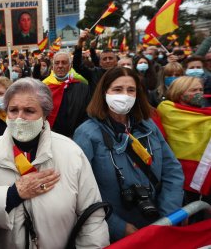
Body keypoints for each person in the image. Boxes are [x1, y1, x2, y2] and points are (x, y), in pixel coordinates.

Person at [0, 78, 109, 248]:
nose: (19, 118)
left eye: (29, 111)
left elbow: (92, 216)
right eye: (13, 110)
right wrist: (12, 195)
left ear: (44, 115)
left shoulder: (71, 152)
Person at [73, 67, 184, 242]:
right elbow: (80, 190)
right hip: (114, 232)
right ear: (104, 93)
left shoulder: (148, 127)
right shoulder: (87, 134)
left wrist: (167, 217)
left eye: (130, 90)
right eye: (117, 89)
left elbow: (173, 171)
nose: (124, 95)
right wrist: (117, 226)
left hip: (158, 222)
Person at [157, 76, 211, 217]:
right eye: (193, 90)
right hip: (175, 175)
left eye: (201, 89)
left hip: (201, 173)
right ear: (180, 92)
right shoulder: (166, 111)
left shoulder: (206, 115)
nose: (199, 93)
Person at [43, 51, 91, 138]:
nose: (60, 66)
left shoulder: (83, 88)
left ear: (70, 66)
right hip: (51, 136)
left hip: (77, 136)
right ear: (53, 67)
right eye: (57, 63)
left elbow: (88, 113)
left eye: (64, 63)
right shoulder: (44, 88)